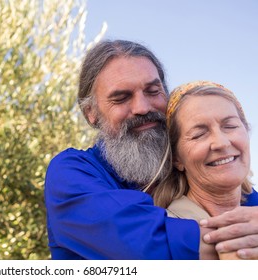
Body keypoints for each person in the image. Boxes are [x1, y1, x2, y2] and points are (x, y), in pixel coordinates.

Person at [44, 39, 258, 259]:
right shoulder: (72, 174)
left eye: (153, 91)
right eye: (121, 98)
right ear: (91, 112)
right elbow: (140, 243)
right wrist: (239, 243)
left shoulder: (197, 168)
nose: (142, 107)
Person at [149, 81, 256, 259]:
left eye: (230, 126)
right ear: (176, 158)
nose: (221, 143)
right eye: (199, 134)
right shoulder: (164, 237)